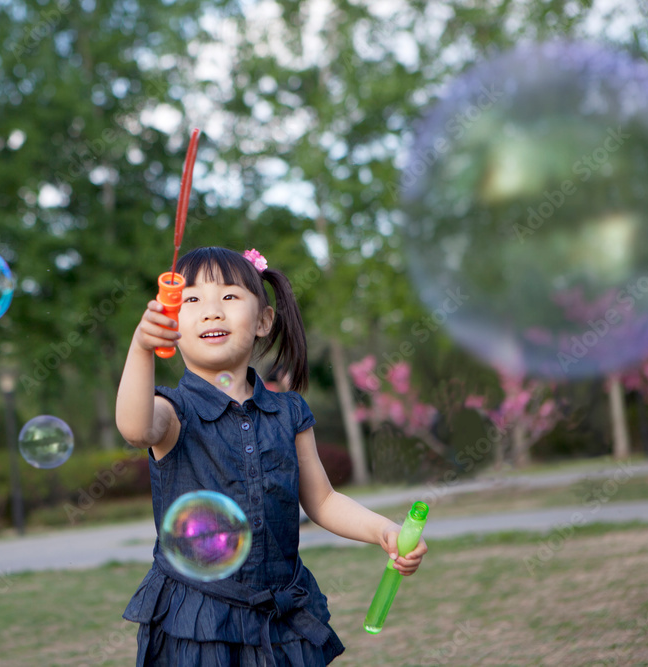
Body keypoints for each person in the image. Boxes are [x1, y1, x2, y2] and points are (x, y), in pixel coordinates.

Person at [116, 246, 427, 666]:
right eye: (192, 299)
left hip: (281, 614)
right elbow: (135, 428)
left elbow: (323, 500)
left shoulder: (288, 411)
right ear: (171, 325)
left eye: (229, 296)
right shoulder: (172, 413)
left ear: (263, 321)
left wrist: (383, 530)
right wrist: (140, 349)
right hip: (200, 620)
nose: (211, 311)